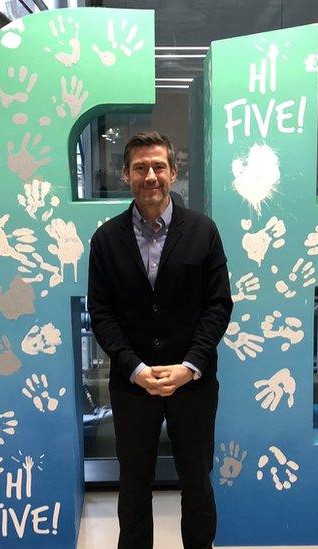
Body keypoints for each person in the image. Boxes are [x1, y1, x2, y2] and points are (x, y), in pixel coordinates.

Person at [88, 131, 233, 549]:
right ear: (126, 174)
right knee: (133, 486)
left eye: (158, 166)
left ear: (173, 171)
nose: (150, 175)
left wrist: (189, 367)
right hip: (133, 385)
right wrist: (134, 368)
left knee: (196, 483)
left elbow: (218, 306)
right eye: (139, 167)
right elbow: (101, 312)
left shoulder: (203, 232)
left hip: (193, 385)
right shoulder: (106, 240)